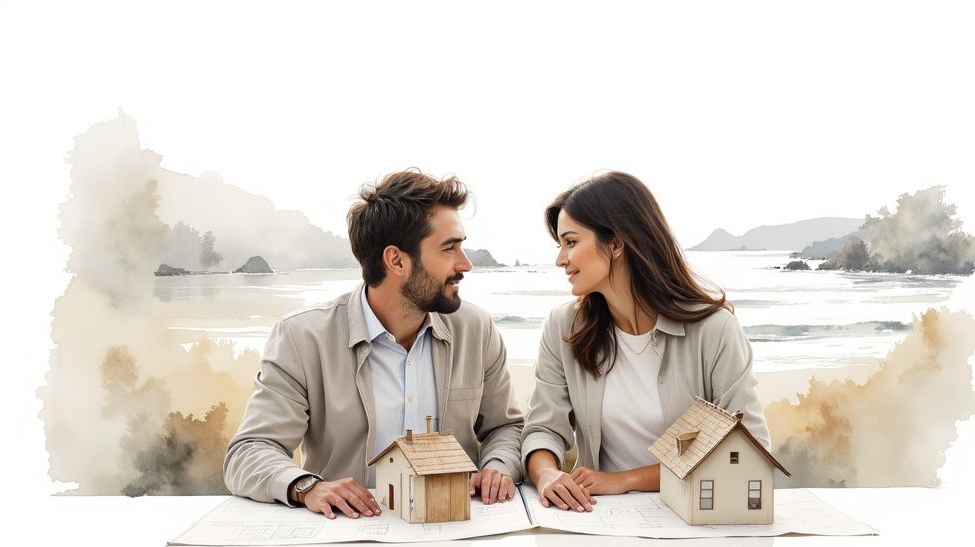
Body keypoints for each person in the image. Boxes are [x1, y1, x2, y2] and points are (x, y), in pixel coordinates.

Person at [224, 169, 524, 519]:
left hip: (455, 531)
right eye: (449, 248)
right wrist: (307, 486)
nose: (465, 263)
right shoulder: (301, 338)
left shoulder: (477, 329)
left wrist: (499, 465)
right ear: (396, 260)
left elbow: (506, 427)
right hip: (349, 536)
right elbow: (249, 451)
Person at [521, 171, 770, 512]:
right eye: (560, 245)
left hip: (692, 519)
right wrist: (547, 474)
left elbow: (748, 448)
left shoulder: (715, 330)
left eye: (571, 242)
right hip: (600, 517)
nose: (560, 259)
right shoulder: (563, 327)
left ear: (617, 244)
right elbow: (543, 428)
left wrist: (626, 480)